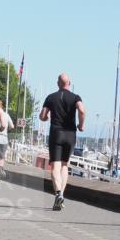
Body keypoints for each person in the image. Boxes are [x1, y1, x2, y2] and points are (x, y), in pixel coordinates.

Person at [39, 73, 85, 210]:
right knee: (65, 165)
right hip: (70, 134)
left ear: (58, 83)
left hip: (56, 134)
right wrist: (81, 125)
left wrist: (46, 119)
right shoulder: (76, 97)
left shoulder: (51, 97)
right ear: (69, 83)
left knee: (55, 167)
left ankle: (58, 193)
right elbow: (82, 110)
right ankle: (61, 195)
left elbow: (42, 116)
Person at [0, 98, 14, 181]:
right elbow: (12, 126)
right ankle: (1, 168)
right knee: (1, 157)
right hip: (4, 138)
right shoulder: (6, 114)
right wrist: (7, 131)